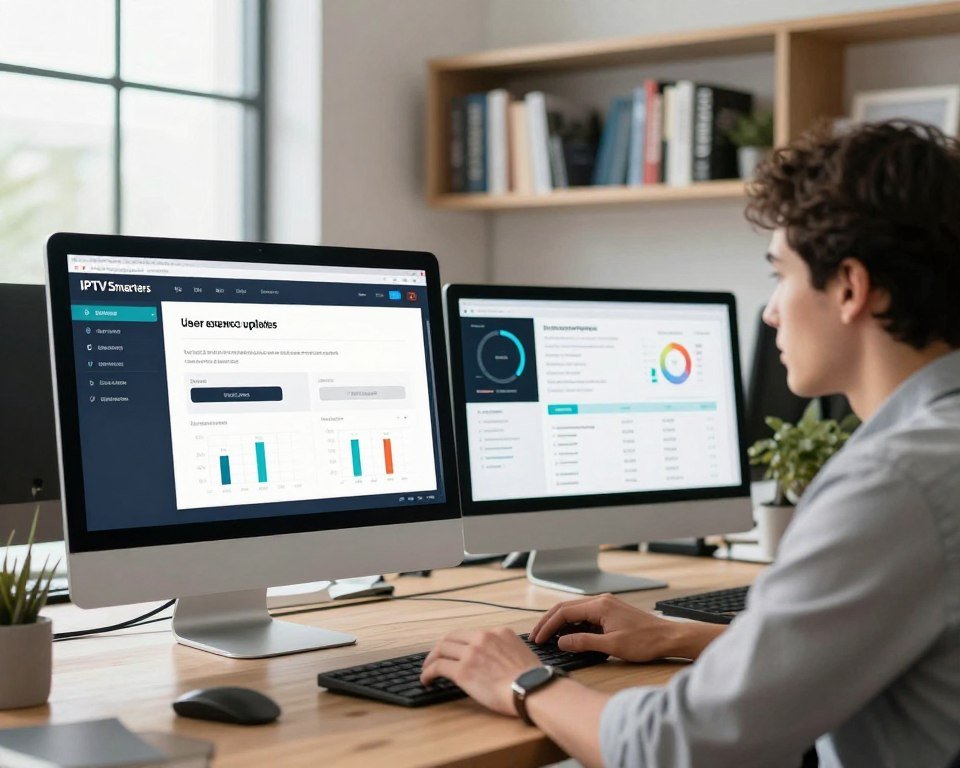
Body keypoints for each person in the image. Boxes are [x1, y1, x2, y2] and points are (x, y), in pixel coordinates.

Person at [421, 120, 960, 768]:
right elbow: (873, 641)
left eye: (779, 275)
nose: (771, 312)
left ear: (849, 287)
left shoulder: (892, 483)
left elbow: (682, 749)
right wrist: (681, 634)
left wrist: (521, 679)